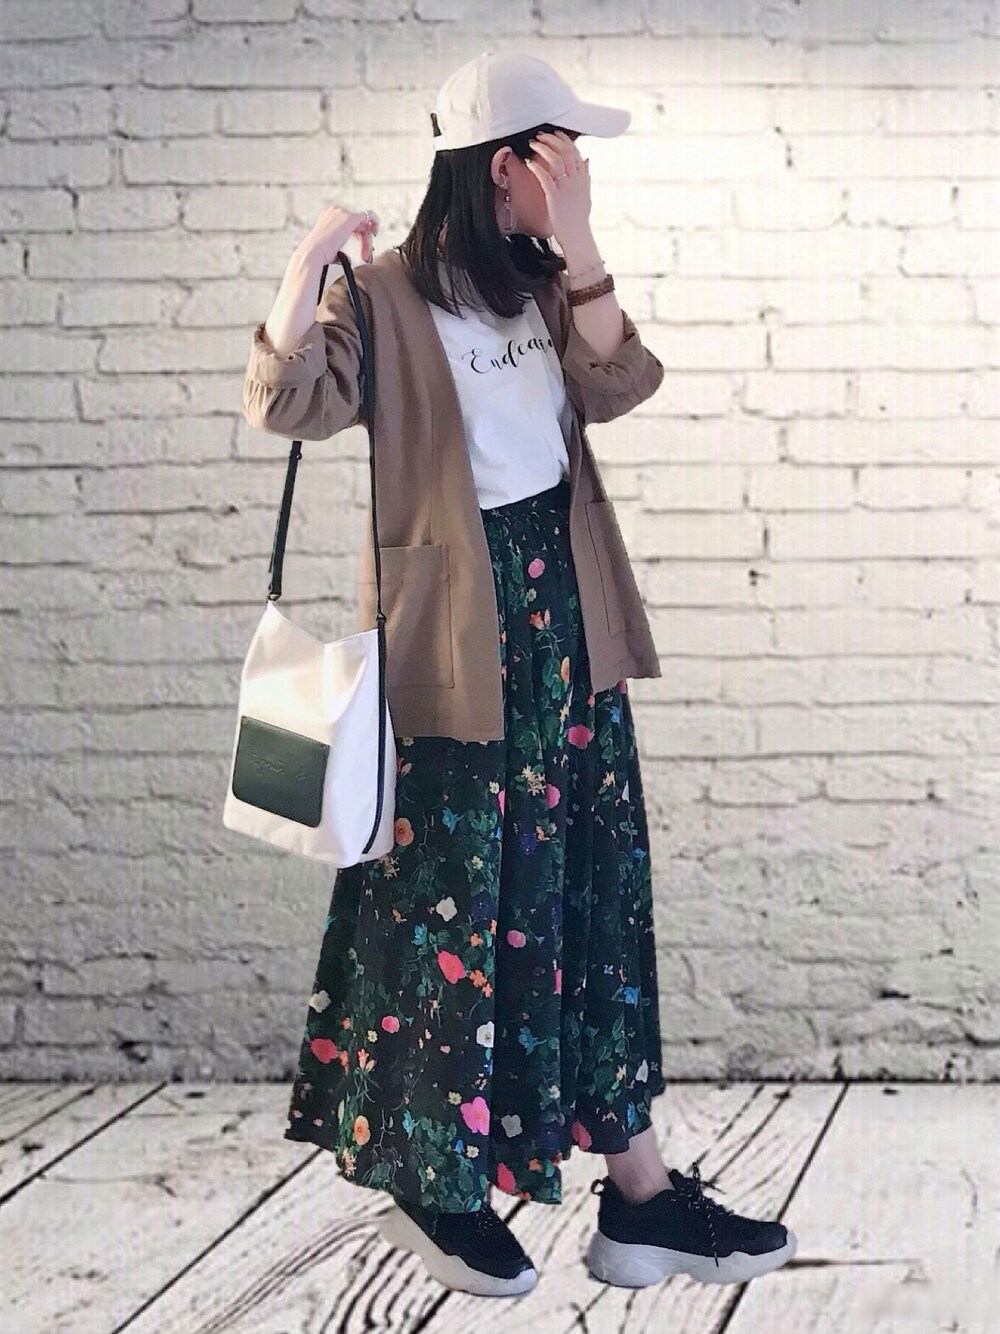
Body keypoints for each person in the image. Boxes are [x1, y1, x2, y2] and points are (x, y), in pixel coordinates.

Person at [244, 48, 796, 1301]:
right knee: (451, 905)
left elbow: (620, 381)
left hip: (569, 625)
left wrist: (583, 239)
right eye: (566, 153)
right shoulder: (384, 297)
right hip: (452, 643)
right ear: (509, 165)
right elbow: (289, 402)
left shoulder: (544, 284)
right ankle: (436, 1184)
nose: (580, 170)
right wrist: (309, 261)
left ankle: (641, 1200)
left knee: (590, 896)